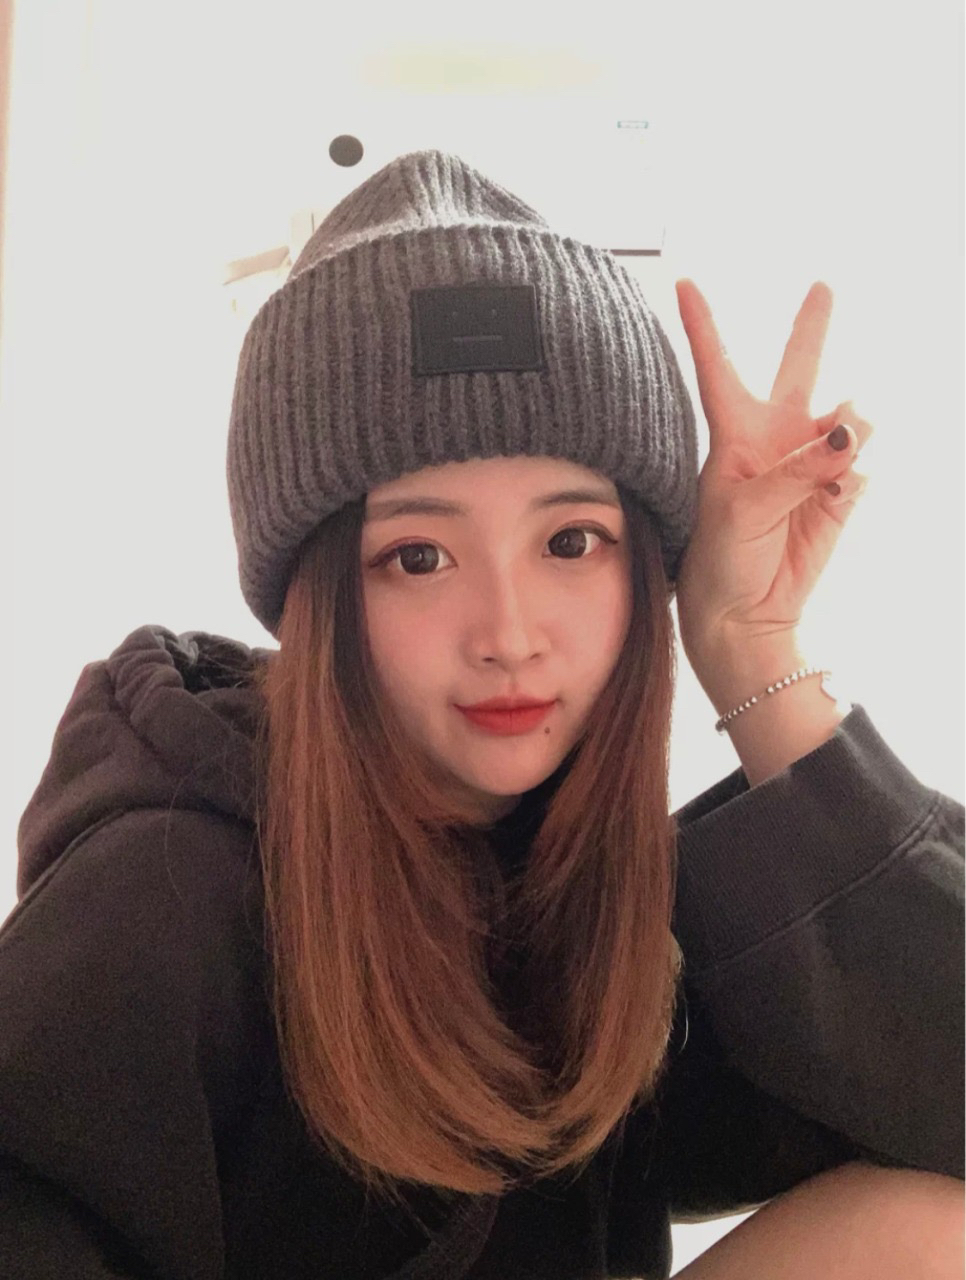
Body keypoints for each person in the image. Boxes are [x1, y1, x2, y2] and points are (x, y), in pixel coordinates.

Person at [1, 149, 962, 1279]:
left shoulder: (583, 881)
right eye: (418, 555)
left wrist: (749, 643)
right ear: (318, 596)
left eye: (570, 541)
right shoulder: (160, 899)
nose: (508, 631)